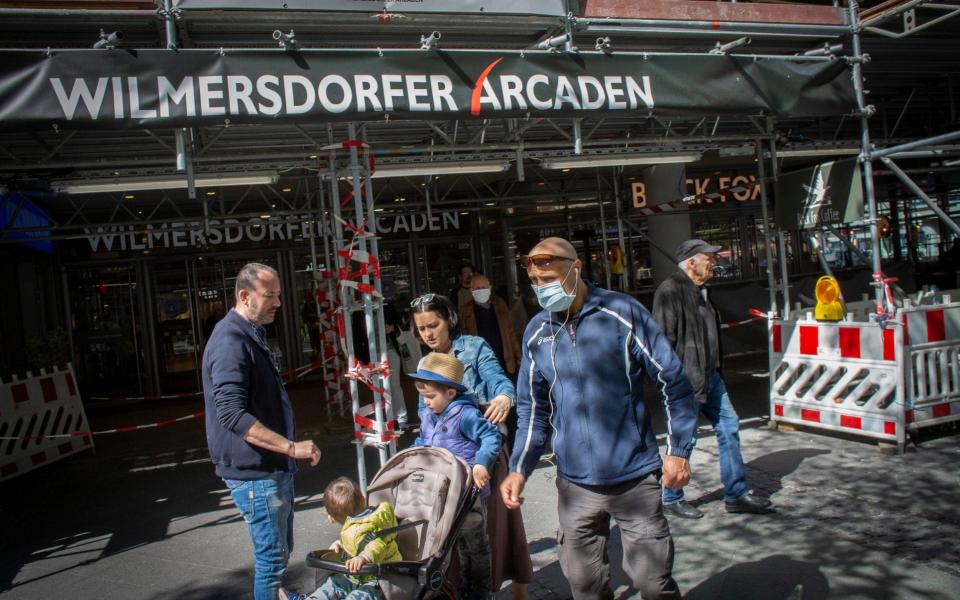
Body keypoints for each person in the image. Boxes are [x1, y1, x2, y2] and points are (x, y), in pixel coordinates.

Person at [500, 237, 699, 600]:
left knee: (654, 585)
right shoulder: (537, 333)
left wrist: (679, 450)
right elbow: (532, 409)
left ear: (576, 268)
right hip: (575, 487)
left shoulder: (622, 312)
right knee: (585, 588)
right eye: (536, 283)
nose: (542, 289)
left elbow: (673, 380)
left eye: (550, 279)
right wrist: (519, 467)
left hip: (634, 479)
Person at [202, 262, 321, 600]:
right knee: (271, 562)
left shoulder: (250, 333)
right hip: (256, 472)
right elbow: (232, 414)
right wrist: (289, 447)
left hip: (267, 467)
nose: (278, 303)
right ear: (244, 296)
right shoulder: (230, 340)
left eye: (278, 295)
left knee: (280, 552)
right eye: (270, 296)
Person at [410, 293, 534, 598]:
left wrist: (504, 397)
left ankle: (511, 589)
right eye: (421, 329)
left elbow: (498, 380)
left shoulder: (474, 347)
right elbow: (424, 414)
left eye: (433, 325)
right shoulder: (425, 362)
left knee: (492, 532)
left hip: (482, 455)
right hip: (444, 464)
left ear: (448, 320)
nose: (428, 334)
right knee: (447, 535)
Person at [653, 240, 774, 519]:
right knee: (682, 439)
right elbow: (661, 341)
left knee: (729, 427)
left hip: (710, 376)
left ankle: (736, 494)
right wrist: (672, 380)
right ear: (691, 261)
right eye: (708, 258)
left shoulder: (701, 292)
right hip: (685, 380)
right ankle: (671, 496)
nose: (714, 263)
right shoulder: (670, 290)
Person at [410, 352, 502, 600]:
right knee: (454, 543)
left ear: (451, 393)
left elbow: (492, 437)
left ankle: (481, 593)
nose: (426, 402)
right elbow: (423, 442)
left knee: (476, 546)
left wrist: (482, 464)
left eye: (430, 396)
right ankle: (463, 589)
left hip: (469, 491)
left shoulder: (466, 414)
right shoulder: (429, 417)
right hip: (442, 492)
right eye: (423, 396)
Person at [279, 477, 402, 600]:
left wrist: (364, 557)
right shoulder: (357, 527)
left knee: (360, 596)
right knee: (333, 584)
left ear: (331, 518)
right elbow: (357, 545)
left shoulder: (368, 528)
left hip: (378, 580)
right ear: (364, 500)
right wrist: (341, 545)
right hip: (353, 576)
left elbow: (377, 545)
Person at [458, 274, 521, 377]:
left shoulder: (500, 304)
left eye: (483, 288)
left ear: (490, 288)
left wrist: (519, 355)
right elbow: (462, 339)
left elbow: (511, 332)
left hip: (504, 361)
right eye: (477, 288)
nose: (481, 290)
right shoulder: (465, 311)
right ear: (471, 290)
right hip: (480, 364)